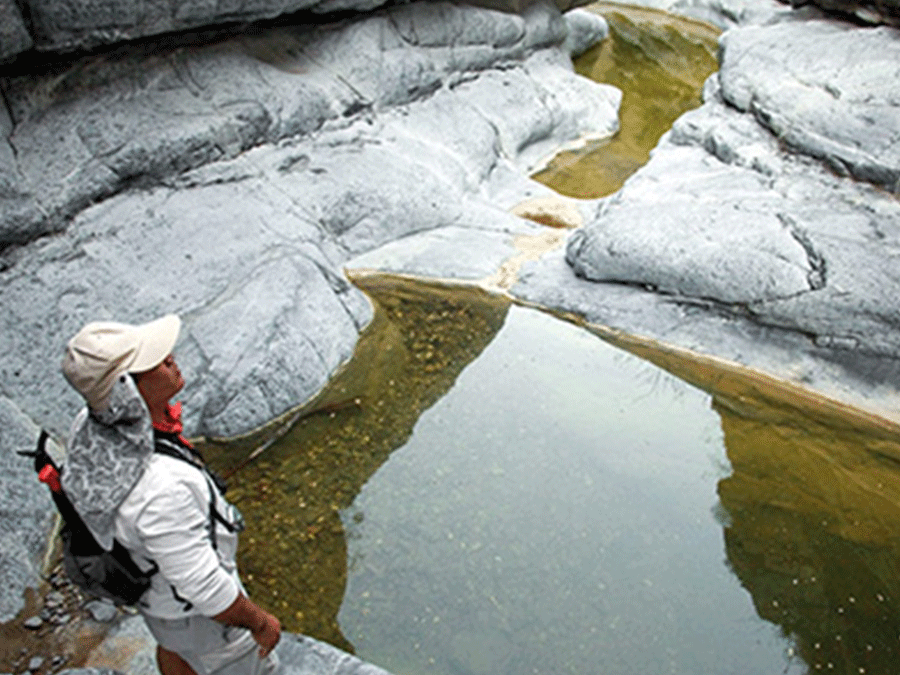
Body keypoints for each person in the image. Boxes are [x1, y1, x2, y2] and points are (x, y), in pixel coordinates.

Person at [60, 314, 281, 675]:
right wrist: (259, 623)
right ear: (126, 392)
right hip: (196, 618)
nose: (171, 359)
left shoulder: (92, 426)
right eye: (154, 362)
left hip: (157, 602)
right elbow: (206, 590)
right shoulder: (163, 490)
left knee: (174, 650)